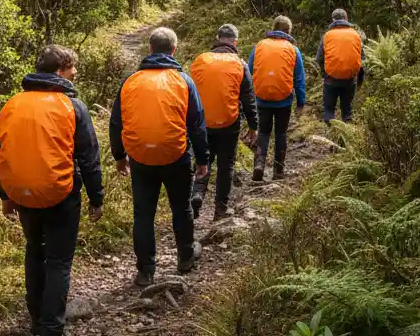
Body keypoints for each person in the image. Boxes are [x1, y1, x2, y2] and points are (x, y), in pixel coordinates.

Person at [0, 45, 104, 336]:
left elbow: (0, 153)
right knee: (58, 261)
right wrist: (96, 197)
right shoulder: (72, 106)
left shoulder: (13, 104)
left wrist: (6, 195)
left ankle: (36, 320)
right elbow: (88, 156)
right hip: (60, 194)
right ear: (60, 70)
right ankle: (52, 332)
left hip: (23, 194)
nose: (75, 73)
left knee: (34, 251)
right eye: (72, 68)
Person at [110, 27, 209, 286]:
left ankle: (145, 270)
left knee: (143, 214)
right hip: (176, 154)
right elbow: (197, 124)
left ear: (150, 49)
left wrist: (120, 156)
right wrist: (202, 159)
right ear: (173, 50)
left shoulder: (130, 81)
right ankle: (185, 257)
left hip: (140, 156)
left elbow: (116, 122)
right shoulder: (184, 81)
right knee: (181, 207)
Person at [188, 24, 259, 220]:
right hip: (229, 121)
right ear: (235, 42)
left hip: (202, 122)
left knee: (203, 160)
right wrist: (253, 126)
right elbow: (248, 98)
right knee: (226, 165)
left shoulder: (200, 60)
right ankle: (220, 210)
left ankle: (197, 194)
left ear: (217, 38)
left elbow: (189, 92)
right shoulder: (239, 64)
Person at [247, 16, 306, 182]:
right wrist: (301, 102)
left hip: (261, 98)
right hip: (284, 100)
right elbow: (299, 79)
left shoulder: (259, 46)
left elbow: (249, 73)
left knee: (263, 132)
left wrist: (248, 100)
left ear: (273, 28)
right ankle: (278, 171)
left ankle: (259, 165)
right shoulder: (293, 50)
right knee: (281, 133)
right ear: (288, 31)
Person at [316, 8, 364, 124]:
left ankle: (330, 129)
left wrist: (325, 74)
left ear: (333, 20)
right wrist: (359, 80)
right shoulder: (355, 35)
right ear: (346, 19)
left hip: (331, 79)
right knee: (347, 111)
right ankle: (346, 131)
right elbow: (362, 59)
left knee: (328, 110)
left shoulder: (327, 35)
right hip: (350, 79)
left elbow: (319, 58)